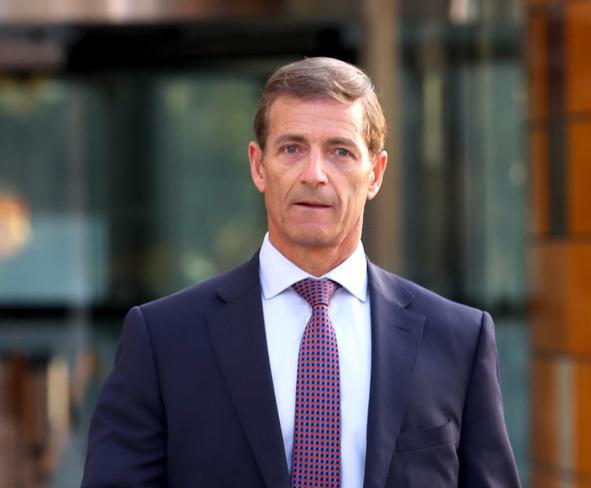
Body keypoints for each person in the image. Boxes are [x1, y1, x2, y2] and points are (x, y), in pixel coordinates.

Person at [81, 57, 520, 488]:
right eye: (292, 148)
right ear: (258, 165)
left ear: (375, 174)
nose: (314, 174)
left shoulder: (459, 340)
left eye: (340, 151)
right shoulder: (163, 340)